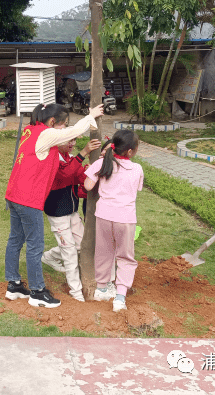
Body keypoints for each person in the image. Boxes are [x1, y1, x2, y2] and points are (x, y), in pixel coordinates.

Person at [4, 103, 104, 309]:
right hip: (28, 199)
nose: (65, 131)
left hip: (14, 195)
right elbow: (74, 131)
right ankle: (37, 292)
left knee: (15, 240)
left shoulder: (30, 131)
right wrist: (91, 115)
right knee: (35, 246)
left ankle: (13, 284)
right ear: (51, 122)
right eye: (63, 125)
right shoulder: (46, 133)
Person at [83, 129, 143, 312]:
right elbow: (137, 189)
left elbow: (87, 185)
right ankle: (120, 297)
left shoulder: (102, 163)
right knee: (125, 256)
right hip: (125, 218)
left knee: (103, 251)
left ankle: (101, 288)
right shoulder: (136, 169)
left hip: (103, 216)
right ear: (130, 151)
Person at [41, 136, 101, 302]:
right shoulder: (52, 158)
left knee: (81, 245)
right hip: (57, 213)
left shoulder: (69, 158)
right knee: (69, 253)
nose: (72, 144)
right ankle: (76, 291)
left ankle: (49, 257)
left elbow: (79, 177)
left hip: (72, 211)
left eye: (74, 141)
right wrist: (83, 153)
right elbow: (65, 174)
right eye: (69, 140)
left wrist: (93, 171)